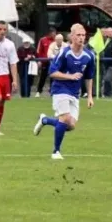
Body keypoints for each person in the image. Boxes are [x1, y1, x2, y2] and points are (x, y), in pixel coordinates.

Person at [32, 24, 95, 160]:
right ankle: (56, 152)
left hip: (74, 93)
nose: (81, 38)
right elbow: (52, 72)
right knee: (65, 118)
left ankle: (45, 120)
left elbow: (89, 77)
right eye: (78, 35)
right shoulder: (64, 53)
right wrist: (70, 76)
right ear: (71, 37)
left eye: (83, 35)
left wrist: (90, 96)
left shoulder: (89, 56)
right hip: (60, 89)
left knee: (70, 125)